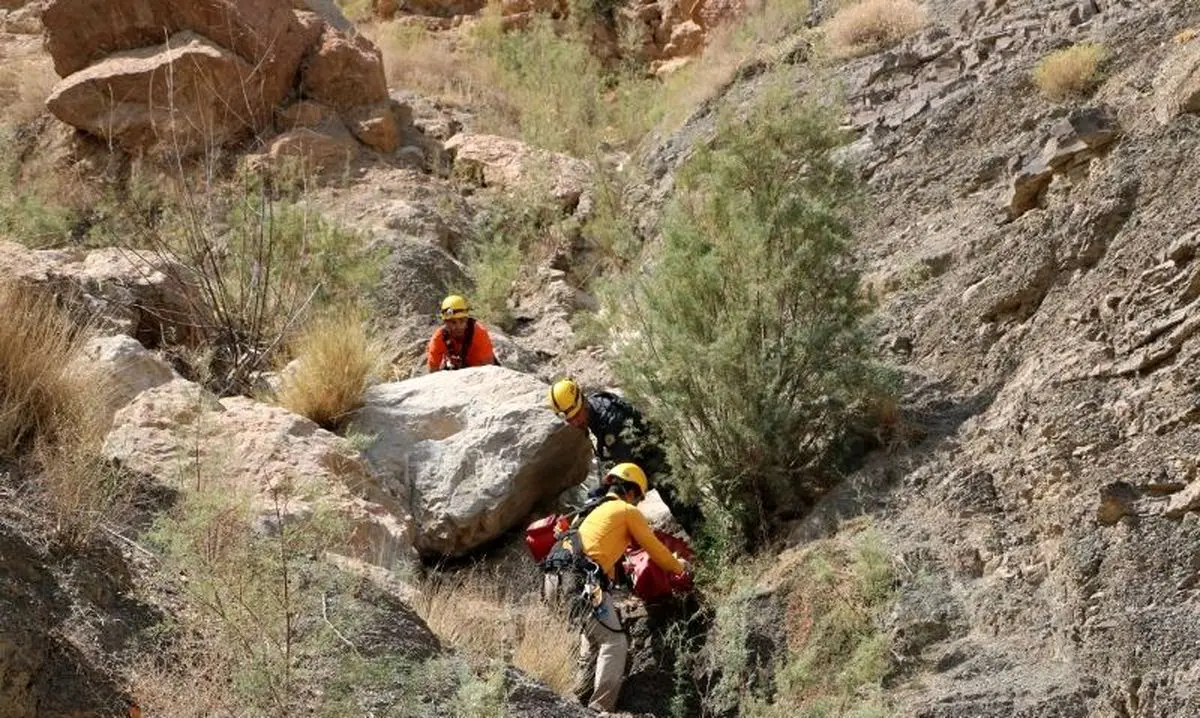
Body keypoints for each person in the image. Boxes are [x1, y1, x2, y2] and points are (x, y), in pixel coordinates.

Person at [543, 463, 689, 712]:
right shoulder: (625, 511)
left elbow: (601, 557)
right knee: (614, 643)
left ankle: (578, 700)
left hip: (555, 581)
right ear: (631, 491)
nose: (638, 503)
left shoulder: (591, 510)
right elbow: (655, 549)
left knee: (592, 638)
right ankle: (600, 709)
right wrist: (679, 568)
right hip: (582, 582)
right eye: (639, 498)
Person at [548, 378, 703, 536]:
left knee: (688, 512)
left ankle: (712, 546)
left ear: (581, 401)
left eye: (576, 416)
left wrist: (599, 494)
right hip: (643, 459)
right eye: (570, 420)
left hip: (660, 462)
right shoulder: (594, 409)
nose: (574, 422)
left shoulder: (610, 419)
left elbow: (624, 468)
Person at [426, 295, 499, 372]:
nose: (458, 326)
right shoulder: (439, 338)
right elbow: (433, 369)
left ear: (467, 320)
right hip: (456, 369)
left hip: (479, 370)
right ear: (445, 323)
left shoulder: (479, 333)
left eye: (462, 321)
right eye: (453, 322)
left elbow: (489, 368)